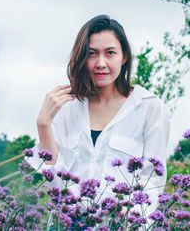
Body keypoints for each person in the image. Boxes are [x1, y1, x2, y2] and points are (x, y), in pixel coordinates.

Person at [28, 14, 170, 222]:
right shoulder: (66, 107)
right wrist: (43, 124)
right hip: (67, 224)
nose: (100, 63)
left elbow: (153, 181)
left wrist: (130, 218)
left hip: (119, 225)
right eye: (92, 54)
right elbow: (55, 185)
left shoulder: (150, 107)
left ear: (124, 57)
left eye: (110, 53)